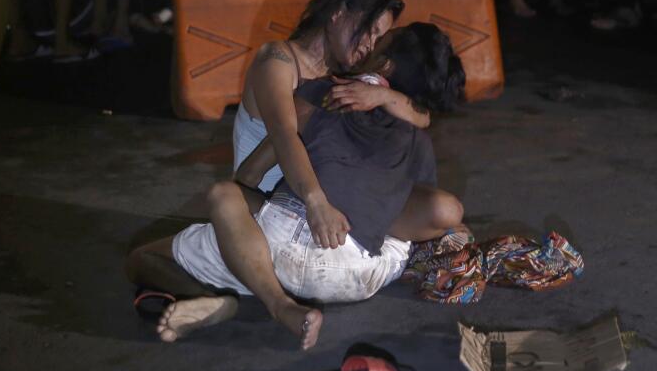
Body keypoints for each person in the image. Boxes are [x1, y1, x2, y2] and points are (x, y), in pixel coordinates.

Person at [126, 22, 466, 347]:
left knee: (155, 251)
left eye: (379, 39)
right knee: (402, 230)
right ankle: (270, 283)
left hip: (288, 245)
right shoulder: (417, 136)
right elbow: (420, 208)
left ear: (384, 64)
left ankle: (260, 302)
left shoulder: (321, 92)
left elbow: (250, 172)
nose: (369, 42)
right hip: (362, 277)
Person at [200, 0, 463, 345]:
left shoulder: (346, 77)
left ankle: (241, 296)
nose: (369, 45)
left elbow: (424, 115)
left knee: (438, 206)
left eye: (378, 38)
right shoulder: (277, 60)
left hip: (326, 221)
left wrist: (384, 98)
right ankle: (244, 299)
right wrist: (316, 202)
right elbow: (284, 135)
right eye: (369, 31)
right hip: (265, 206)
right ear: (339, 12)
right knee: (152, 257)